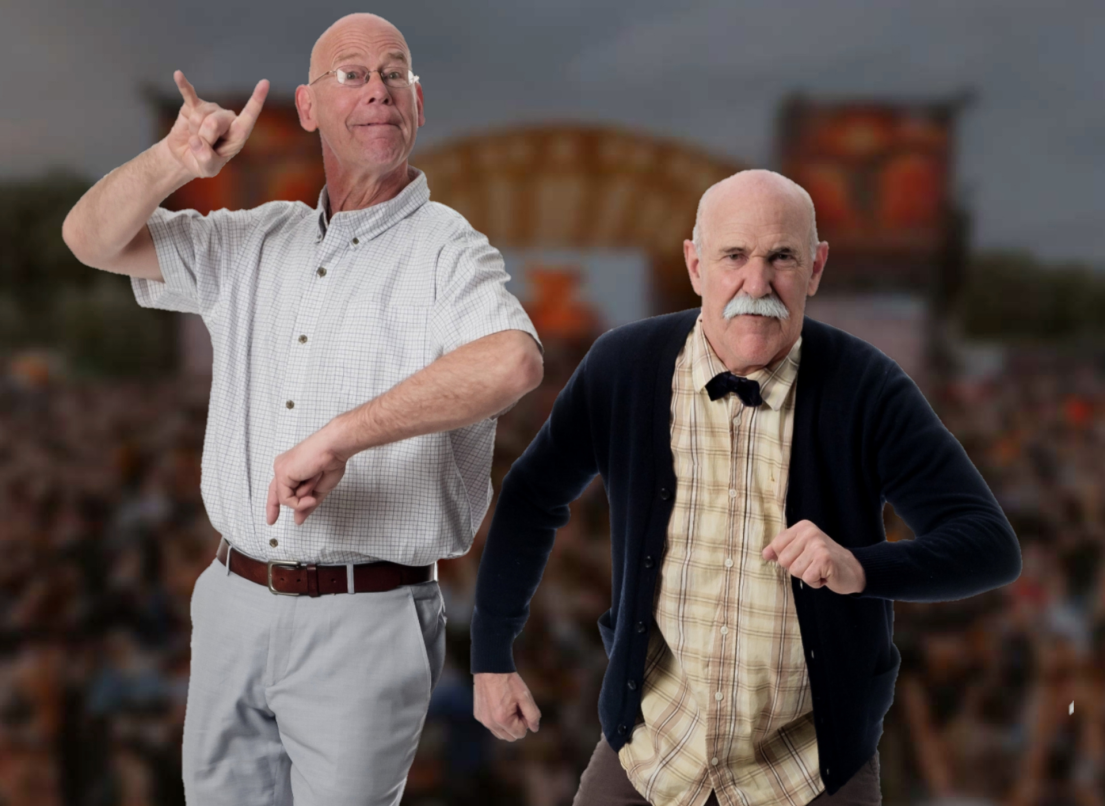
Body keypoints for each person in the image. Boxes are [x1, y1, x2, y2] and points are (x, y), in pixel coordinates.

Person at [61, 12, 542, 805]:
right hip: (229, 600)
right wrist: (172, 160)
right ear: (308, 108)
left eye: (395, 74)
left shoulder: (447, 250)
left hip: (367, 612)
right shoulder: (251, 240)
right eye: (351, 74)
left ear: (417, 102)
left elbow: (513, 360)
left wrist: (344, 436)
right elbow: (88, 239)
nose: (379, 90)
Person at [469, 170, 1021, 806]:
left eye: (780, 258)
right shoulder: (625, 366)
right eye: (734, 256)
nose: (755, 285)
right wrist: (492, 653)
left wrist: (859, 567)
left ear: (814, 269)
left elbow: (987, 544)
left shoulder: (868, 387)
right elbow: (532, 495)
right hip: (654, 752)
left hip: (811, 768)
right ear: (695, 263)